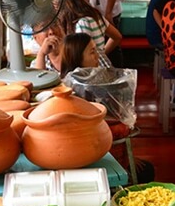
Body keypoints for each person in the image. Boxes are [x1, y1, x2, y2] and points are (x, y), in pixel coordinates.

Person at [59, 32, 155, 183]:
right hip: (94, 157)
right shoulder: (69, 91)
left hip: (107, 152)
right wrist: (127, 157)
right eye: (92, 52)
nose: (97, 56)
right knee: (147, 171)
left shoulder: (89, 82)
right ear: (77, 57)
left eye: (96, 50)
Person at [60, 0, 122, 68]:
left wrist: (100, 54)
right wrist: (102, 53)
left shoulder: (82, 23)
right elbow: (117, 36)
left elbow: (82, 52)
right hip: (101, 65)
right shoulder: (96, 16)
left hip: (92, 69)